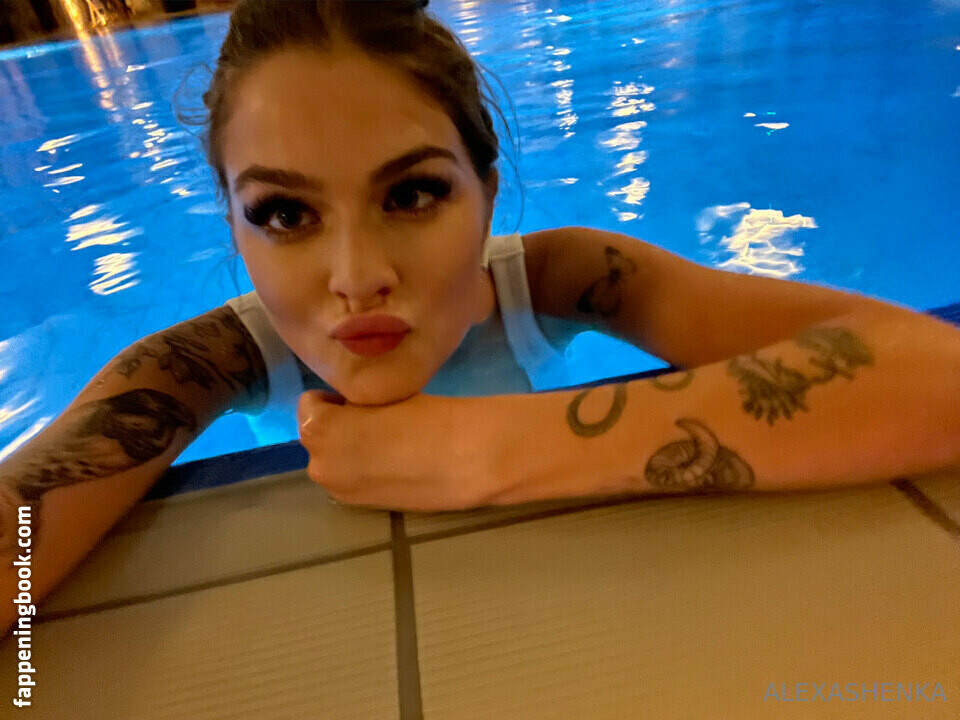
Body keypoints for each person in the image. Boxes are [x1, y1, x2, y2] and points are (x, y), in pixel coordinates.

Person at [1, 0, 958, 635]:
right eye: (285, 214)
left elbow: (937, 374)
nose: (357, 278)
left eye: (413, 194)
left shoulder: (564, 279)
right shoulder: (205, 365)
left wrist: (477, 451)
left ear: (487, 197)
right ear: (233, 233)